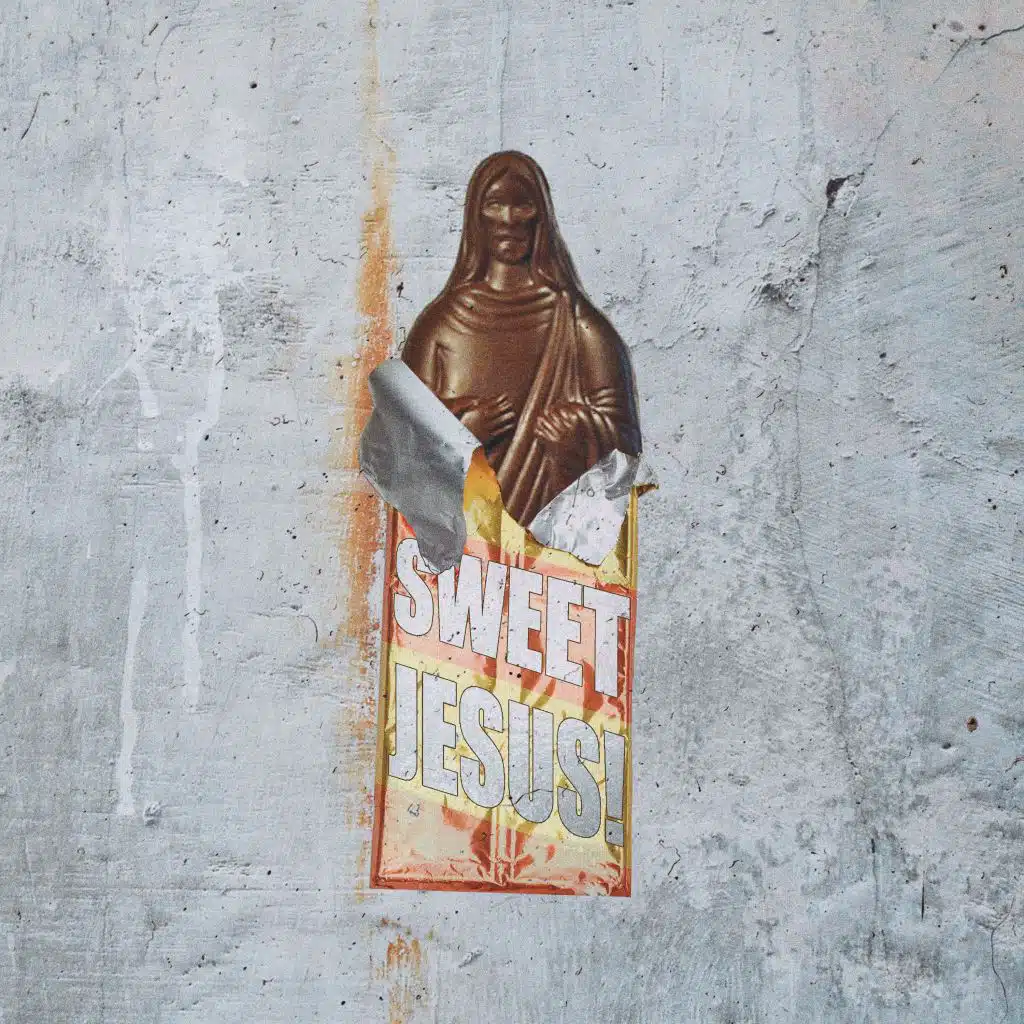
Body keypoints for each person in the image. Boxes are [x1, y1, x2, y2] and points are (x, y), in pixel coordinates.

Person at [401, 151, 642, 526]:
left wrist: (577, 440)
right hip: (465, 543)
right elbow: (401, 448)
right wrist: (460, 436)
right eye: (495, 204)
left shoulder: (579, 327)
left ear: (540, 216)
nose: (509, 220)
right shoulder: (440, 327)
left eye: (523, 205)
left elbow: (626, 450)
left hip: (555, 545)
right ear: (476, 216)